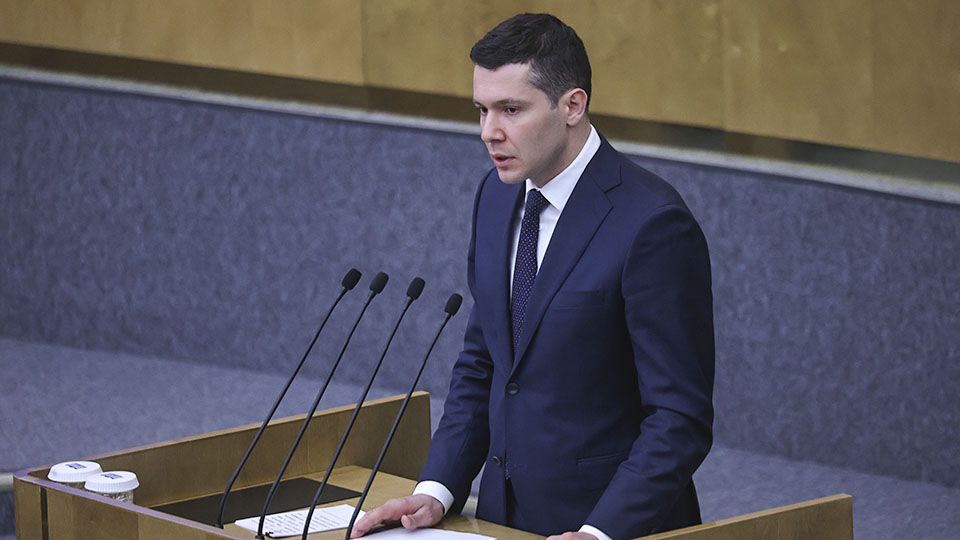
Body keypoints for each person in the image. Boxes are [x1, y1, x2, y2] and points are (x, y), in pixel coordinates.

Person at [352, 13, 714, 540]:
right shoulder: (496, 196)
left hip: (610, 523)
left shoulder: (653, 224)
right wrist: (436, 490)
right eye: (481, 110)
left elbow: (678, 418)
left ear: (572, 106)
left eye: (511, 109)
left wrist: (599, 532)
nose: (488, 132)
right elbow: (485, 363)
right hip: (501, 518)